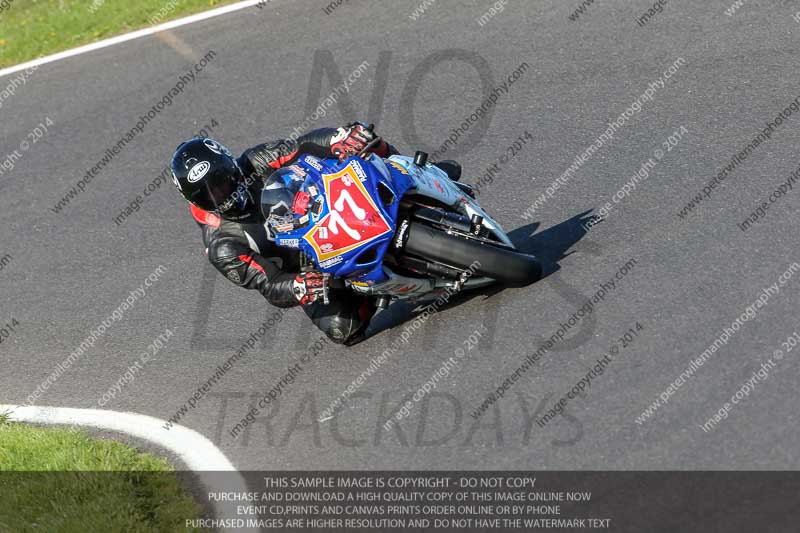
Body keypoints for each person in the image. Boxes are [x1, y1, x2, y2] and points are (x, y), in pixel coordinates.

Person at [171, 122, 462, 345]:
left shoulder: (256, 161)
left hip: (326, 206)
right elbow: (268, 283)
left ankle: (416, 173)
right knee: (342, 329)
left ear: (230, 165)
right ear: (195, 201)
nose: (222, 196)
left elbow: (304, 145)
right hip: (311, 262)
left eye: (222, 182)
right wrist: (298, 286)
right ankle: (376, 287)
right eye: (209, 195)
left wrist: (339, 138)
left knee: (364, 141)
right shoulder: (222, 245)